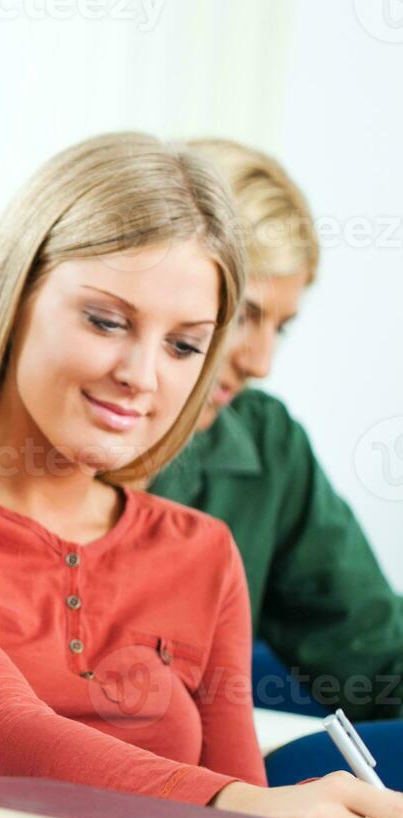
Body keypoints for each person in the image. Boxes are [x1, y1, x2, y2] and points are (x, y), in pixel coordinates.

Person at [0, 133, 403, 818]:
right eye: (107, 322)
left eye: (184, 345)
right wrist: (250, 810)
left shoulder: (202, 551)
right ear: (16, 297)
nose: (141, 376)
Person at [148, 139, 403, 723]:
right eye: (245, 315)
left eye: (280, 328)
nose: (260, 362)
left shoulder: (266, 441)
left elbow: (373, 654)